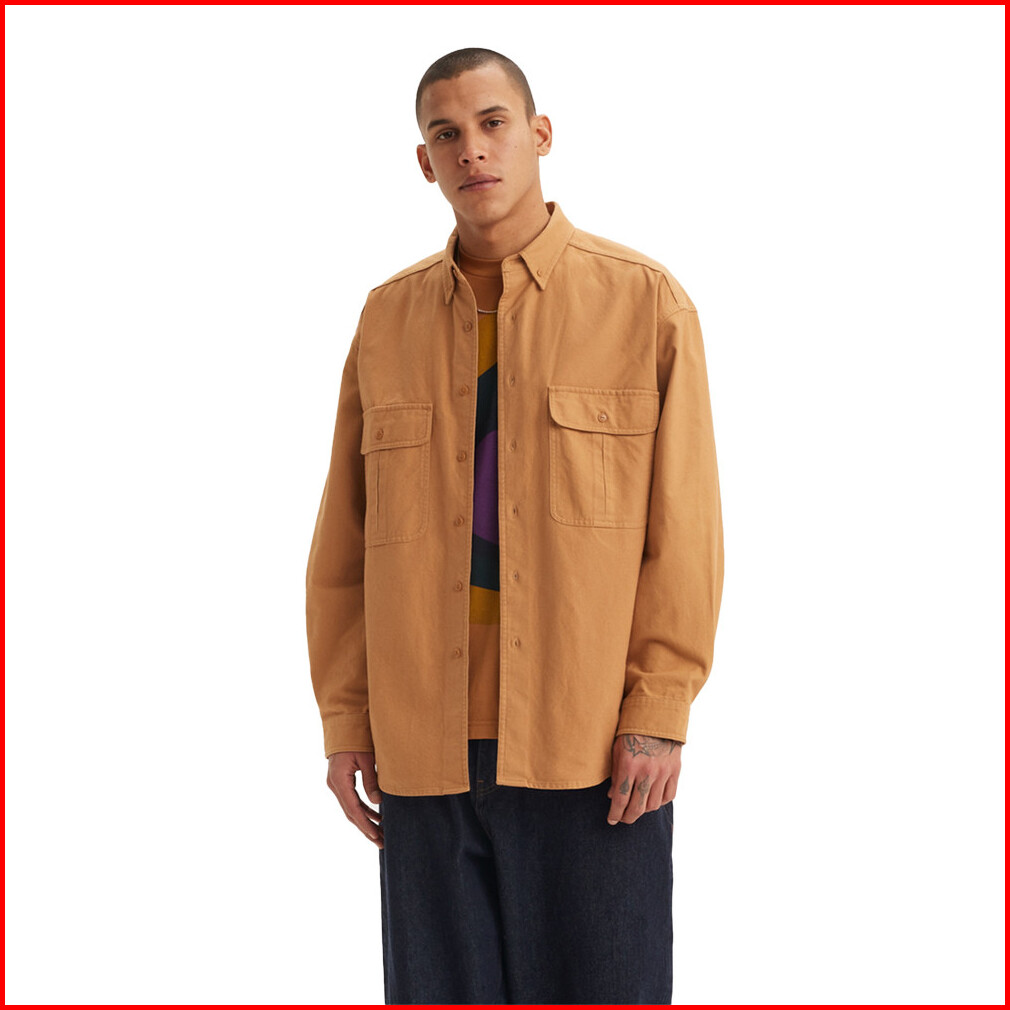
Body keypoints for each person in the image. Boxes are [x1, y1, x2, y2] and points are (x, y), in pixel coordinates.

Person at [305, 46, 725, 1005]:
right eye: (447, 134)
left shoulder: (643, 303)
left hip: (591, 750)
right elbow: (342, 543)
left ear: (540, 135)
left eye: (493, 124)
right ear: (425, 162)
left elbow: (686, 533)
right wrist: (346, 718)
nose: (473, 150)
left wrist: (659, 713)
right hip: (422, 749)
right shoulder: (386, 320)